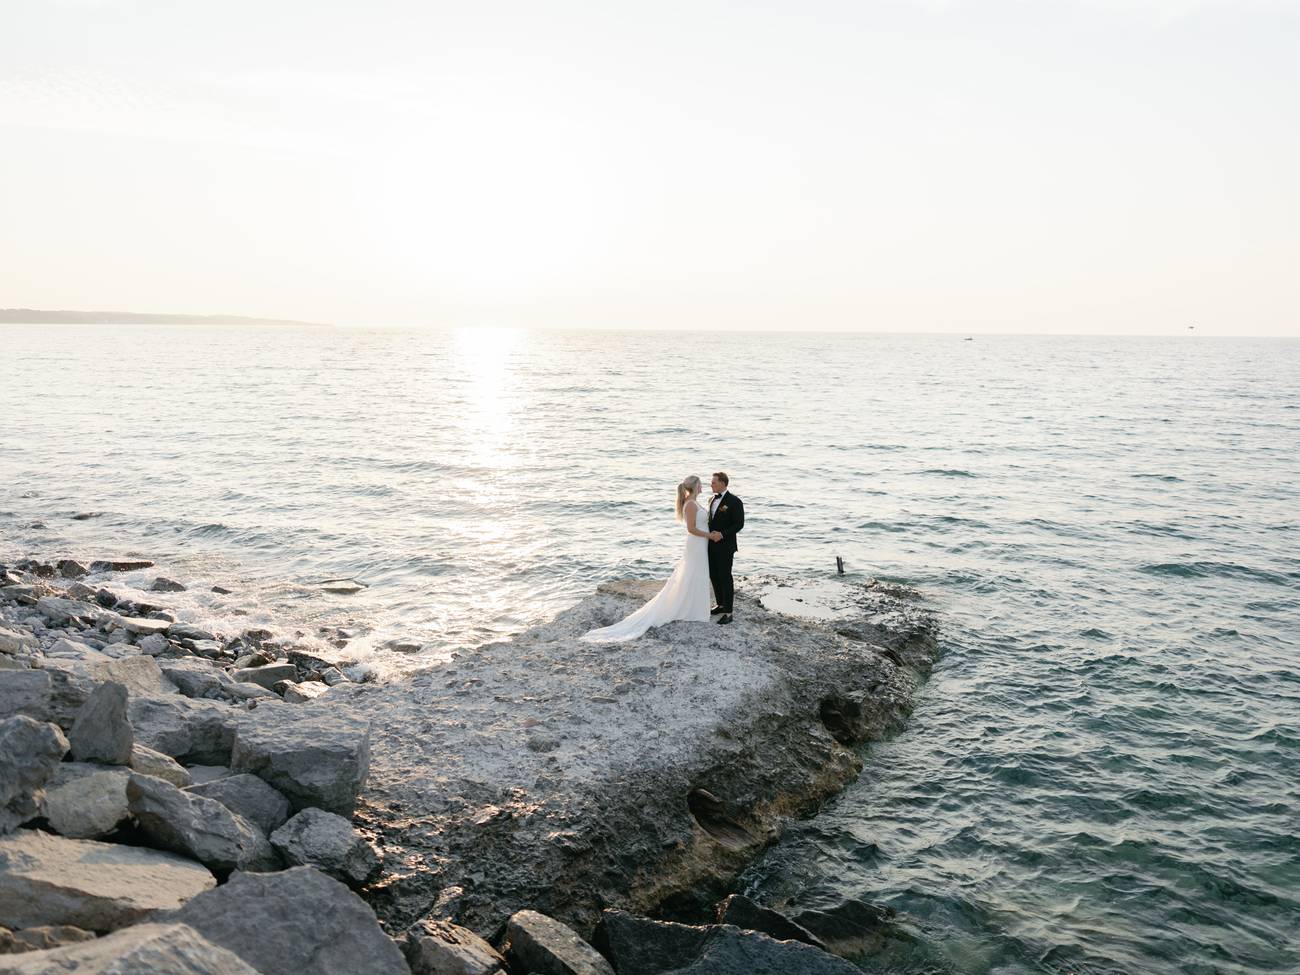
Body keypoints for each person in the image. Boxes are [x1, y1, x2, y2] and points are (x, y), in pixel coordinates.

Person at [579, 475, 721, 643]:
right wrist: (709, 536)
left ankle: (694, 608)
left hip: (701, 543)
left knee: (697, 573)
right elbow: (691, 529)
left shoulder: (695, 502)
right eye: (700, 484)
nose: (702, 486)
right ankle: (690, 609)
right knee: (692, 573)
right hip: (696, 542)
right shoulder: (690, 504)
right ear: (695, 486)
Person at [706, 472, 744, 625]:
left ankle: (729, 612)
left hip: (725, 546)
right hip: (710, 545)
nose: (711, 484)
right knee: (714, 575)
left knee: (725, 577)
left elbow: (739, 524)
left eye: (714, 482)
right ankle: (720, 604)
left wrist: (722, 534)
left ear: (723, 483)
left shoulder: (735, 501)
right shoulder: (711, 500)